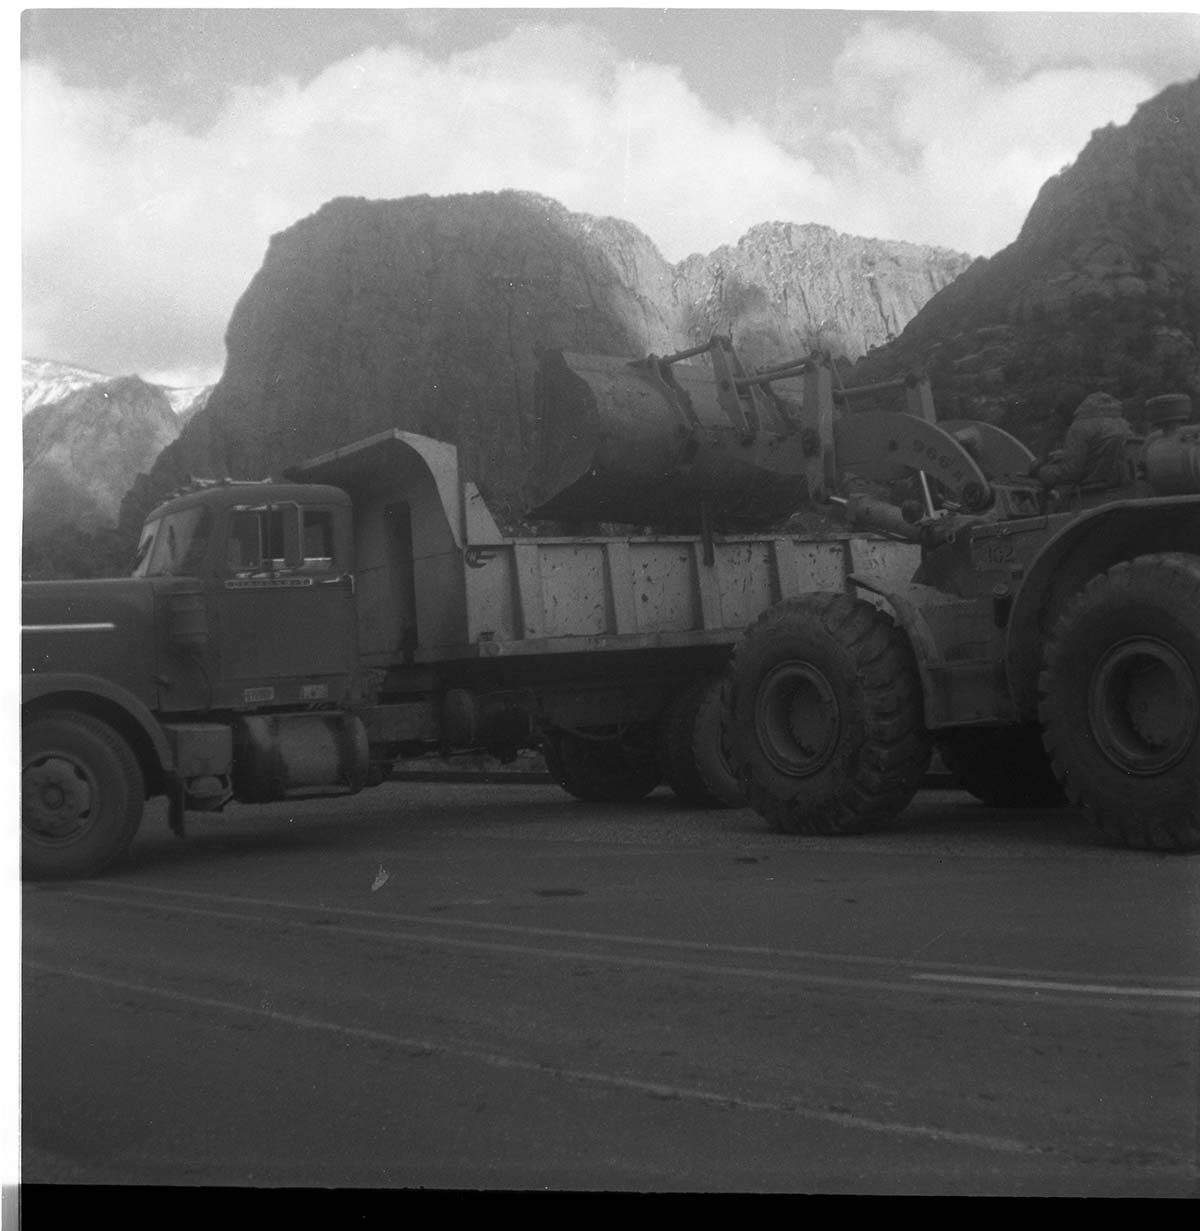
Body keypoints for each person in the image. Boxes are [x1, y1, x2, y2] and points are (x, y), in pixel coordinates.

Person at [1033, 392, 1134, 490]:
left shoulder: (1079, 427)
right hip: (1125, 488)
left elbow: (1070, 473)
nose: (1059, 414)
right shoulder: (1123, 424)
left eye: (1061, 409)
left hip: (1094, 494)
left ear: (1068, 408)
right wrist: (1066, 454)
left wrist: (1041, 471)